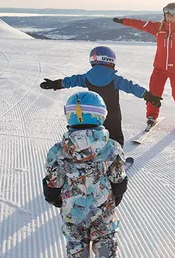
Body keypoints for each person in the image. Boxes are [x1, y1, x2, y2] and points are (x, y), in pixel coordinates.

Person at [42, 91, 129, 257]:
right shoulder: (112, 148)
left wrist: (57, 200)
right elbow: (118, 181)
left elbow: (53, 186)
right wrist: (114, 199)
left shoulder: (58, 151)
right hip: (103, 213)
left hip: (73, 214)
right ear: (101, 115)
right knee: (106, 242)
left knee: (76, 245)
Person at [40, 46, 163, 146]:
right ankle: (116, 160)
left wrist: (56, 84)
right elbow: (131, 87)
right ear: (110, 61)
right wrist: (149, 96)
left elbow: (72, 80)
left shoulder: (87, 77)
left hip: (93, 114)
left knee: (95, 135)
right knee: (115, 137)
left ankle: (94, 156)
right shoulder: (114, 79)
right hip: (112, 114)